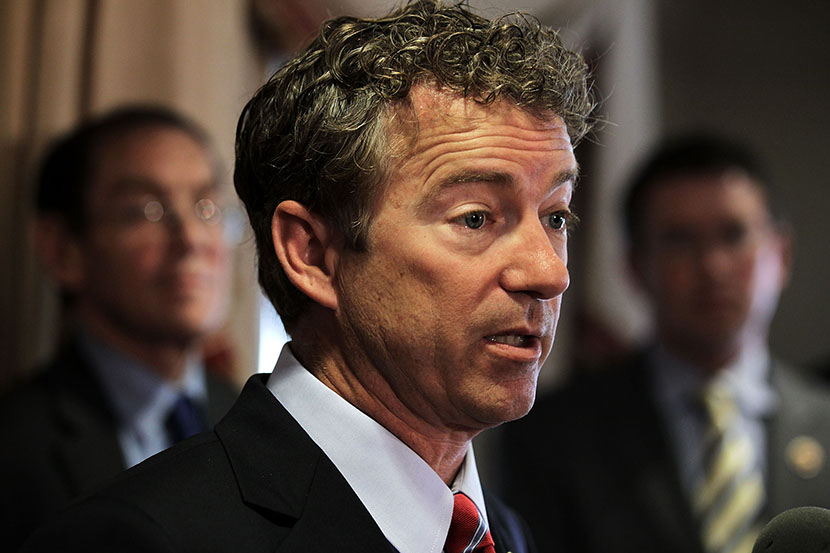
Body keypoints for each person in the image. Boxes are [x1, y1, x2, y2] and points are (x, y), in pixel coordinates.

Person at [19, 1, 596, 552]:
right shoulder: (141, 539)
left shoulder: (504, 536)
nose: (549, 273)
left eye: (556, 216)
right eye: (475, 217)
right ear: (313, 254)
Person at [501, 134, 830, 553]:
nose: (712, 265)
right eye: (680, 240)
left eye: (733, 235)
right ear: (636, 266)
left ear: (781, 255)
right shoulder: (555, 434)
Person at [0, 106, 240, 550]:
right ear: (62, 250)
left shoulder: (249, 417)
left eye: (207, 207)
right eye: (144, 211)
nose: (191, 239)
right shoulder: (16, 448)